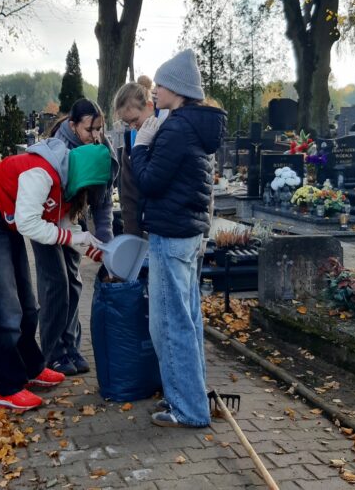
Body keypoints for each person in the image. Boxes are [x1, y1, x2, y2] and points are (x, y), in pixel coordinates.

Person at [0, 139, 111, 411]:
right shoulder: (42, 173)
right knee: (2, 308)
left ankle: (31, 368)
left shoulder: (65, 181)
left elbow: (59, 221)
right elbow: (29, 222)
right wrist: (70, 237)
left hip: (7, 223)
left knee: (27, 306)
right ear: (84, 176)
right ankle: (6, 388)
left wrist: (87, 243)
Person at [131, 49, 227, 428]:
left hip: (171, 237)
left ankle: (186, 409)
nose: (154, 91)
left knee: (169, 325)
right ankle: (192, 400)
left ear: (178, 89)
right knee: (186, 320)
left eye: (160, 85)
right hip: (186, 234)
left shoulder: (176, 127)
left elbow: (151, 180)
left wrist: (139, 146)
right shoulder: (194, 126)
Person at [32, 99, 118, 376]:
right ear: (72, 125)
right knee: (55, 284)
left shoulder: (100, 148)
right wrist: (72, 233)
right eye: (89, 129)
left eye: (99, 129)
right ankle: (52, 352)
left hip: (73, 221)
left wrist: (104, 237)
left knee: (73, 284)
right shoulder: (57, 150)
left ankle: (70, 346)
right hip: (45, 220)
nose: (95, 136)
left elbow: (102, 199)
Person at [114, 83, 153, 237]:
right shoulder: (131, 141)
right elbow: (129, 194)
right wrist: (131, 235)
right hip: (145, 228)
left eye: (135, 120)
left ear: (149, 106)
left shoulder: (168, 134)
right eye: (127, 123)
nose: (132, 126)